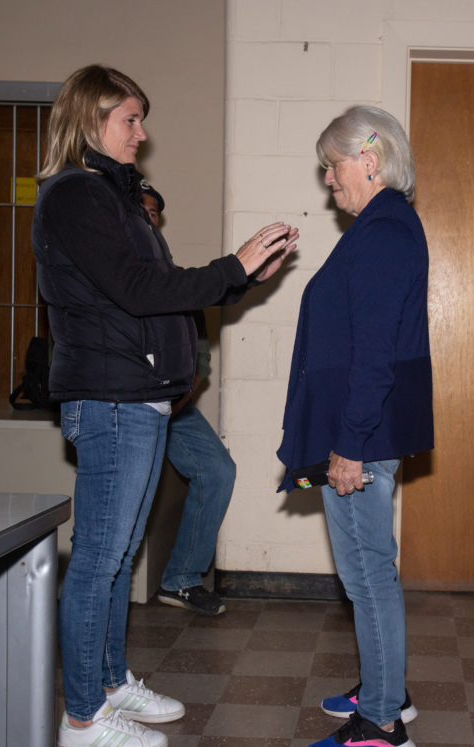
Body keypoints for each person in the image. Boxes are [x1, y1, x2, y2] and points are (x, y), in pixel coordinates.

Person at [33, 64, 297, 747]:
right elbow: (136, 289)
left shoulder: (114, 199)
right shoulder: (73, 195)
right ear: (92, 119)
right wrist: (231, 266)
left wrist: (239, 281)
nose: (141, 134)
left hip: (140, 397)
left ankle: (112, 681)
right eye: (130, 119)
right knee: (97, 557)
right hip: (111, 397)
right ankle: (83, 717)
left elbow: (161, 292)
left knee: (120, 556)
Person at [277, 105, 433, 747]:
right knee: (363, 569)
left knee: (367, 572)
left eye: (332, 165)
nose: (327, 179)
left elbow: (374, 355)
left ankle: (382, 721)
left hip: (357, 440)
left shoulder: (385, 232)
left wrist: (347, 447)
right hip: (347, 435)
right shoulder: (376, 228)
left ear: (368, 159)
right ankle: (381, 687)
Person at [139, 182, 236, 616]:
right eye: (140, 210)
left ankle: (180, 579)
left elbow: (199, 363)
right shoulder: (106, 269)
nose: (148, 218)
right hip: (121, 408)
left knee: (217, 470)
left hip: (173, 408)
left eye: (155, 213)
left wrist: (174, 404)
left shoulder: (174, 280)